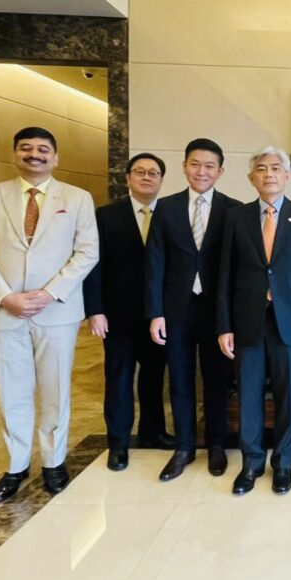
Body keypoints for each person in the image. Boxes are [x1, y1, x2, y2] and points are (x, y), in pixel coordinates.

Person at [0, 127, 99, 502]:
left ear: (55, 157)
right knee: (12, 391)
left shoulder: (77, 198)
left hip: (56, 310)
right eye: (26, 148)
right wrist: (5, 296)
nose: (34, 154)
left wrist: (50, 292)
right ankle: (16, 464)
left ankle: (54, 461)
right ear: (15, 154)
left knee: (56, 390)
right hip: (4, 312)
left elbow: (87, 251)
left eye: (43, 149)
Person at [217, 146, 291, 495]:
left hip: (289, 320)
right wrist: (224, 325)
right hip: (247, 319)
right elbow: (225, 275)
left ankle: (283, 463)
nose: (269, 174)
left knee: (287, 393)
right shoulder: (236, 217)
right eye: (261, 169)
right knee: (248, 392)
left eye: (276, 168)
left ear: (287, 176)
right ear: (251, 178)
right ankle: (251, 462)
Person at [145, 138, 241, 482]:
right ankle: (184, 447)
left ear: (220, 171)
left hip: (218, 312)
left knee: (217, 380)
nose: (202, 171)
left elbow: (238, 267)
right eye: (195, 164)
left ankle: (216, 445)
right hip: (176, 310)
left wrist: (233, 317)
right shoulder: (166, 207)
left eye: (209, 166)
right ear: (185, 166)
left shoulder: (234, 210)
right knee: (180, 380)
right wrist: (155, 312)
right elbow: (155, 262)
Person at [84, 153, 175, 472]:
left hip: (159, 316)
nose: (147, 177)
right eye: (140, 172)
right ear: (127, 178)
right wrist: (95, 310)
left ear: (161, 179)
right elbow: (93, 265)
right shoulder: (105, 215)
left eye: (154, 173)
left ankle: (153, 432)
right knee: (119, 378)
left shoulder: (171, 214)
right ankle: (119, 442)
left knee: (153, 377)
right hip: (118, 315)